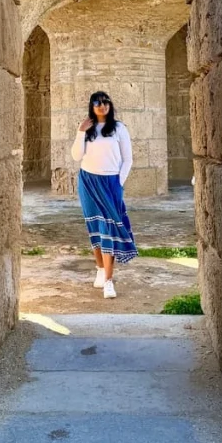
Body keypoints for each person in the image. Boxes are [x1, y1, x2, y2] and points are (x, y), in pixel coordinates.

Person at [71, 91, 137, 299]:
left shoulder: (119, 128)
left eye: (106, 102)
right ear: (92, 106)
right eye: (98, 102)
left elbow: (128, 159)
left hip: (110, 183)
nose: (102, 106)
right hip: (88, 182)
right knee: (95, 227)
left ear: (110, 105)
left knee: (109, 226)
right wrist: (81, 132)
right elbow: (76, 156)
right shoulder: (87, 129)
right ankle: (100, 269)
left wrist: (119, 183)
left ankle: (109, 281)